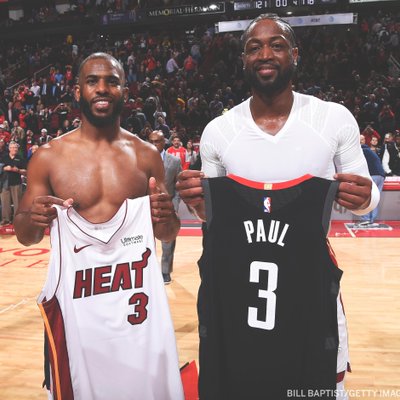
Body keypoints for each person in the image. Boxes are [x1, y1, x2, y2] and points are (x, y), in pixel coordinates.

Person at [176, 13, 379, 400]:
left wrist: (365, 197)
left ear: (295, 54)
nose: (265, 54)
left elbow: (366, 197)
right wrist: (197, 202)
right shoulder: (219, 131)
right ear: (243, 59)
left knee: (318, 389)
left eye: (277, 45)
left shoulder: (332, 118)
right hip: (241, 289)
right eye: (254, 47)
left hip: (308, 283)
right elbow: (212, 218)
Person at [13, 53, 184, 400]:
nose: (102, 88)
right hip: (79, 330)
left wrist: (168, 219)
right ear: (78, 91)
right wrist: (33, 219)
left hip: (138, 329)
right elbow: (25, 235)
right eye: (92, 81)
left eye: (112, 81)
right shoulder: (48, 157)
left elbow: (167, 233)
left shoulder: (146, 156)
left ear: (125, 91)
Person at [148, 130, 182, 284]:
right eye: (151, 141)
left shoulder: (174, 161)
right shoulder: (142, 159)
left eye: (157, 141)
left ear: (164, 142)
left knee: (168, 240)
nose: (154, 144)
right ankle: (147, 271)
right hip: (147, 204)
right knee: (145, 240)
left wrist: (175, 204)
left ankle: (165, 272)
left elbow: (178, 185)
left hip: (167, 204)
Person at [358, 134, 385, 226]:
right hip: (381, 175)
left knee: (366, 197)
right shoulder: (369, 150)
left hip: (373, 175)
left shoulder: (361, 151)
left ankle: (365, 219)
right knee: (375, 198)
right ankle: (371, 219)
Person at [1, 141, 26, 224]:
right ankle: (6, 219)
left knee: (17, 202)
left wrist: (18, 170)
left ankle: (17, 219)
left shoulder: (20, 158)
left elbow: (25, 171)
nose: (14, 149)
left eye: (16, 148)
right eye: (13, 148)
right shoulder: (3, 157)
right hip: (5, 183)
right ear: (9, 149)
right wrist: (5, 168)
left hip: (16, 183)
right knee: (5, 202)